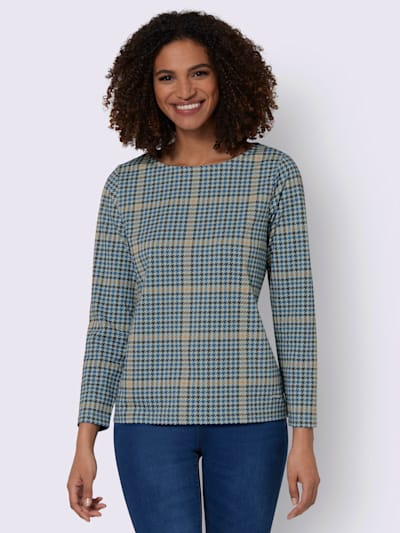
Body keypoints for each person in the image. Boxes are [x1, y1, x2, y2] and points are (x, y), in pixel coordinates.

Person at [67, 9, 320, 532]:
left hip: (250, 412)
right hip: (148, 417)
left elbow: (295, 312)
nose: (184, 90)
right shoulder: (125, 186)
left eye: (198, 72)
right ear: (148, 87)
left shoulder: (273, 174)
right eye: (167, 76)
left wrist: (304, 438)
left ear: (225, 76)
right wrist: (85, 440)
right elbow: (108, 318)